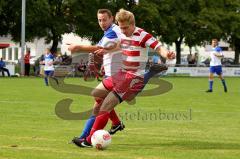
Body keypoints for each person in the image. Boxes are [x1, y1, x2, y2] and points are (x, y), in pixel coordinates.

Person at [74, 8, 175, 148]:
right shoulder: (122, 33)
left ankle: (89, 140)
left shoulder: (143, 35)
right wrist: (106, 50)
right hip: (121, 74)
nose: (123, 31)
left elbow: (158, 47)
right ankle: (115, 124)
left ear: (132, 24)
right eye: (120, 28)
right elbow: (119, 45)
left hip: (132, 78)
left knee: (105, 106)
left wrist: (167, 54)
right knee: (97, 94)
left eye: (125, 28)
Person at [68, 9, 125, 141]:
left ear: (112, 19)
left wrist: (78, 47)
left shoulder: (113, 31)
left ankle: (85, 138)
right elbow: (108, 50)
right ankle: (115, 124)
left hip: (118, 75)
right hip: (112, 74)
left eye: (105, 19)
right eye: (99, 20)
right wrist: (104, 64)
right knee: (99, 103)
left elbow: (96, 48)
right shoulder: (110, 31)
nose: (102, 23)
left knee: (98, 102)